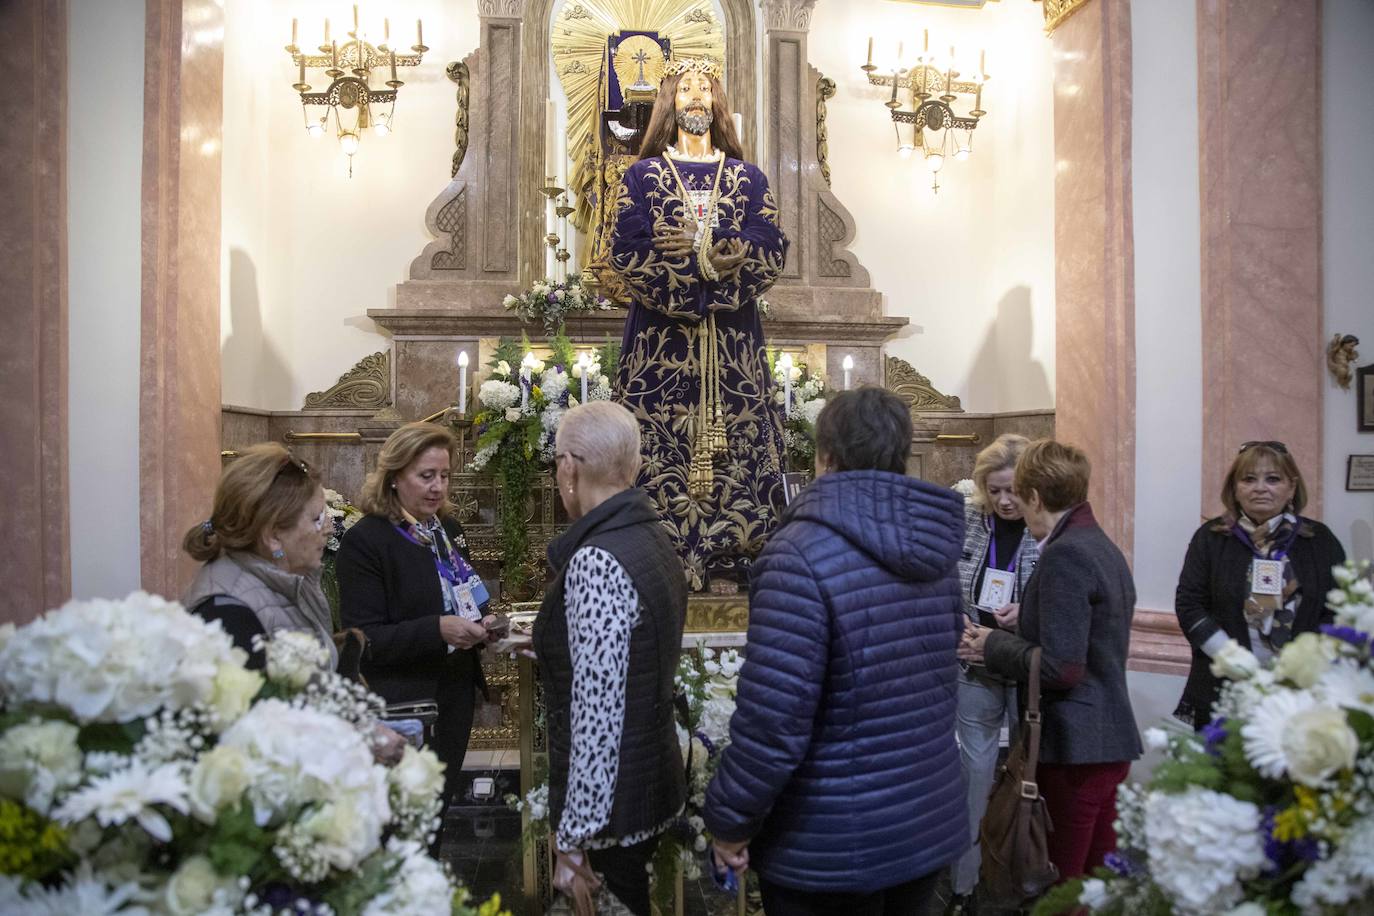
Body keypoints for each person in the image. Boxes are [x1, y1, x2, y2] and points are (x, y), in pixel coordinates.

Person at [704, 388, 967, 916]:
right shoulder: (936, 545)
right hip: (924, 816)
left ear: (825, 457)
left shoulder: (799, 551)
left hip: (831, 841)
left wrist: (730, 821)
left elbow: (773, 721)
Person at [610, 55, 789, 591]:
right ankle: (652, 559)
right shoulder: (641, 177)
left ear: (716, 103)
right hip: (659, 353)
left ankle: (731, 559)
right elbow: (625, 250)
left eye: (703, 88)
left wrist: (705, 253)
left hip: (733, 351)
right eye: (684, 88)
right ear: (670, 102)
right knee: (654, 447)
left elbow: (771, 246)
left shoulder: (747, 179)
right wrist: (706, 268)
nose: (694, 96)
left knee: (739, 447)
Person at [958, 440, 1141, 881]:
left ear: (1035, 497)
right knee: (1093, 881)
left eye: (1017, 494)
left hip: (1076, 745)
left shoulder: (1065, 554)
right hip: (1104, 739)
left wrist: (991, 646)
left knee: (1059, 883)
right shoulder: (1095, 542)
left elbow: (1063, 668)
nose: (1010, 504)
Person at [532, 401, 688, 916]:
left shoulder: (598, 558)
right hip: (648, 776)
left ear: (570, 468)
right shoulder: (649, 535)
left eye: (557, 461)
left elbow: (598, 713)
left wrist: (574, 837)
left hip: (611, 807)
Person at [335, 421, 496, 807]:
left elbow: (466, 591)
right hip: (403, 699)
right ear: (393, 477)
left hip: (454, 691)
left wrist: (485, 621)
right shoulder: (367, 542)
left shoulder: (447, 529)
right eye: (426, 476)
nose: (438, 487)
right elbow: (364, 637)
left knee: (438, 808)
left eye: (444, 475)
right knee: (407, 815)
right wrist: (436, 630)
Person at [1172, 441, 1346, 728]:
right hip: (1226, 682)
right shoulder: (1211, 538)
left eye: (1273, 479)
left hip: (1301, 686)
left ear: (1291, 488)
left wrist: (1302, 661)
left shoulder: (1319, 539)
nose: (1260, 488)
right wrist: (1231, 658)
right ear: (1235, 489)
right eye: (1249, 479)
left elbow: (1337, 607)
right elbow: (1189, 604)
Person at [951, 434, 1040, 906]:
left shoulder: (1046, 526)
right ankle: (966, 883)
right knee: (974, 772)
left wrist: (1027, 613)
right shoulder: (967, 517)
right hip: (973, 661)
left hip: (1024, 664)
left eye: (1014, 490)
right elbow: (941, 578)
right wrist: (956, 621)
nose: (1005, 501)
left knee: (1026, 771)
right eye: (995, 489)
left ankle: (1023, 875)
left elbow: (1061, 596)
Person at [182, 443, 335, 669]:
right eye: (317, 519)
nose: (329, 528)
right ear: (273, 536)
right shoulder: (227, 616)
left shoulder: (285, 579)